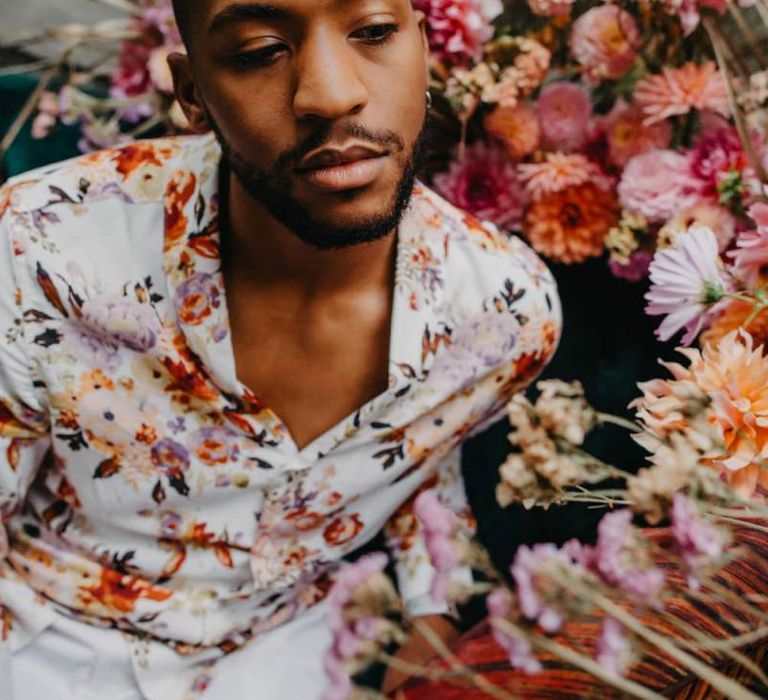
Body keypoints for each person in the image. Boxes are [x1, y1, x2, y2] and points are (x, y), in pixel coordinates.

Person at [0, 1, 561, 698]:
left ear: (427, 48)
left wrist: (432, 611)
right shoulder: (40, 246)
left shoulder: (505, 313)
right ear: (192, 92)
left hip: (289, 653)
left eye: (376, 31)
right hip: (45, 640)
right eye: (261, 51)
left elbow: (423, 447)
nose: (330, 93)